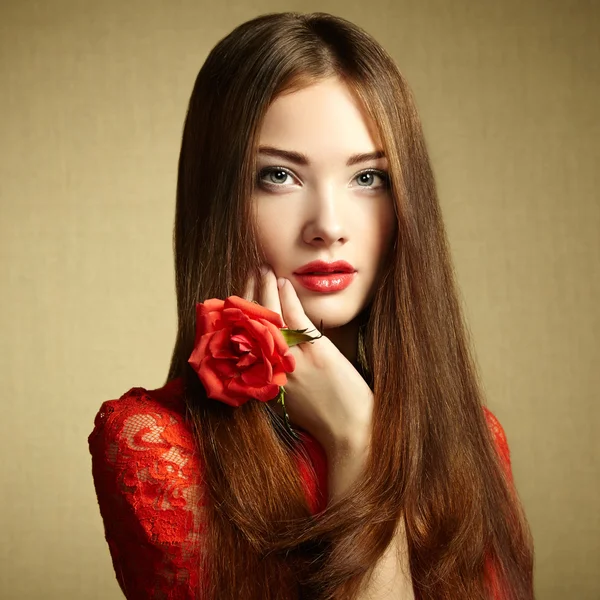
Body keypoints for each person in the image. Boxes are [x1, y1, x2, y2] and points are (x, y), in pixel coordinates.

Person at [88, 11, 535, 600]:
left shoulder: (473, 438)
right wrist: (355, 438)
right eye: (279, 175)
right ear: (219, 200)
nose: (328, 226)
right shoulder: (156, 450)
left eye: (368, 178)